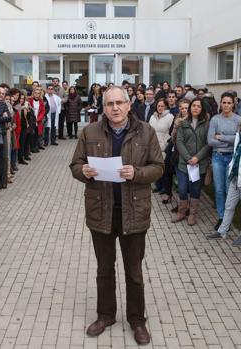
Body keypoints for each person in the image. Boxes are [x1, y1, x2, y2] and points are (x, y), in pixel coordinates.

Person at [69, 86, 164, 346]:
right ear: (103, 106)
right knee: (104, 269)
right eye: (110, 103)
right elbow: (74, 165)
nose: (115, 108)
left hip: (134, 212)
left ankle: (136, 320)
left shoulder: (146, 131)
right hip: (102, 211)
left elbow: (158, 167)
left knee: (134, 271)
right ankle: (106, 315)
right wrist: (84, 171)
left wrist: (137, 173)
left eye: (119, 102)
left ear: (129, 104)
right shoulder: (90, 132)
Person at [207, 114, 241, 245]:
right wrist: (231, 169)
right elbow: (236, 155)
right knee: (229, 205)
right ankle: (222, 231)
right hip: (235, 177)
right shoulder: (240, 137)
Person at [173, 98, 211, 225]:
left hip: (199, 163)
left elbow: (208, 143)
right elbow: (179, 141)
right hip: (184, 163)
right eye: (193, 105)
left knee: (195, 190)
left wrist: (197, 158)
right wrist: (188, 157)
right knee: (182, 189)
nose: (195, 108)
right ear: (190, 108)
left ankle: (192, 214)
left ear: (202, 109)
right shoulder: (183, 122)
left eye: (198, 106)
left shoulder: (206, 123)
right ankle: (182, 212)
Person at [208, 92, 241, 230]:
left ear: (233, 104)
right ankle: (222, 218)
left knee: (230, 190)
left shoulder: (239, 120)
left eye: (229, 103)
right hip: (218, 157)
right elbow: (210, 141)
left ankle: (228, 219)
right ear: (220, 103)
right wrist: (230, 139)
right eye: (224, 102)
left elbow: (239, 140)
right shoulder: (215, 119)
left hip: (231, 158)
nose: (226, 105)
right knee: (219, 189)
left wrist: (221, 137)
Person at [149, 98, 174, 200]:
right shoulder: (152, 116)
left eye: (162, 106)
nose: (160, 108)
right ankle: (158, 185)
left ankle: (164, 187)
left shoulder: (170, 117)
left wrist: (164, 145)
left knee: (164, 168)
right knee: (155, 166)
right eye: (158, 106)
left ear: (166, 107)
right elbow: (149, 130)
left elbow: (170, 132)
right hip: (153, 146)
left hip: (164, 147)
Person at [29, 88, 46, 153]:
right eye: (35, 93)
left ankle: (36, 147)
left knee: (37, 135)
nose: (36, 94)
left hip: (38, 122)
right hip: (31, 121)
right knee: (31, 135)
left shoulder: (41, 102)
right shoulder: (30, 101)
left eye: (38, 93)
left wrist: (38, 119)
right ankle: (32, 148)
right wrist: (33, 120)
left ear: (40, 94)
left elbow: (42, 112)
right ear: (33, 94)